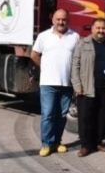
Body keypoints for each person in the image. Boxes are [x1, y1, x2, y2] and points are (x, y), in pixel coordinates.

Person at [31, 9, 80, 157]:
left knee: (62, 115)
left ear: (68, 20)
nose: (60, 22)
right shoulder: (43, 36)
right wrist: (45, 68)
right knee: (47, 114)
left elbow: (78, 59)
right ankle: (46, 144)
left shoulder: (75, 37)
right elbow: (34, 55)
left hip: (66, 84)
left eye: (63, 19)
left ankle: (57, 142)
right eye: (58, 19)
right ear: (53, 20)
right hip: (48, 84)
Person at [71, 17, 105, 157]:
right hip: (86, 87)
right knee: (85, 118)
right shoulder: (84, 43)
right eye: (98, 28)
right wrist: (77, 85)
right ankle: (85, 145)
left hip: (104, 87)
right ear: (92, 29)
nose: (101, 31)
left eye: (103, 28)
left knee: (102, 116)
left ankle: (98, 142)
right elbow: (75, 65)